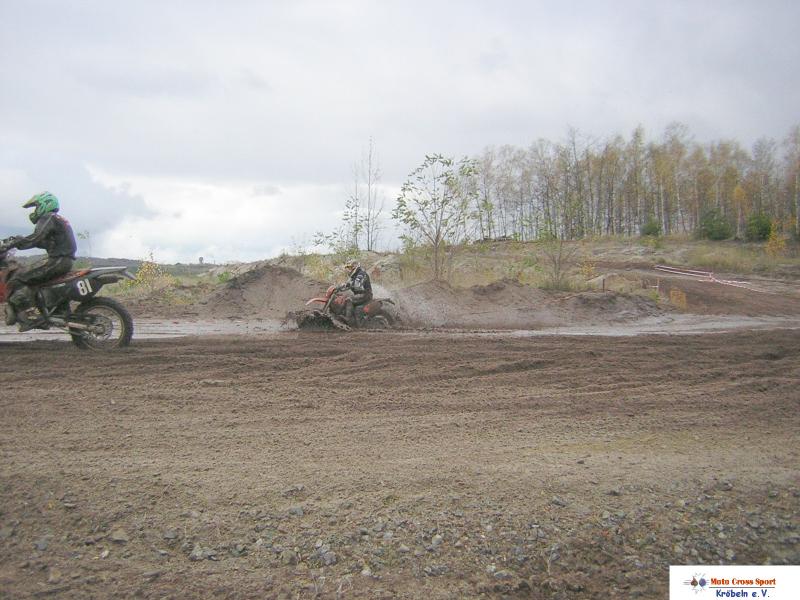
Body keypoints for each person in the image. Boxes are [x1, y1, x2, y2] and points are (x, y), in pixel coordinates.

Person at [3, 192, 77, 330]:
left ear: (45, 204)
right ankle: (51, 310)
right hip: (63, 261)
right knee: (36, 280)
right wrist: (18, 242)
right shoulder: (57, 219)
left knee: (18, 278)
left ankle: (30, 316)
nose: (35, 210)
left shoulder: (48, 217)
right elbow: (42, 242)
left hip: (58, 261)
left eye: (36, 206)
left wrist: (13, 243)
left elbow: (36, 237)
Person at [340, 260, 373, 326]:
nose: (348, 270)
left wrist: (349, 285)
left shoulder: (361, 274)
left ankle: (348, 319)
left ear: (355, 267)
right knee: (343, 297)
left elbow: (357, 285)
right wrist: (342, 286)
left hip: (365, 294)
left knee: (349, 299)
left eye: (350, 267)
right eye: (348, 268)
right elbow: (348, 283)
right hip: (361, 294)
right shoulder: (354, 275)